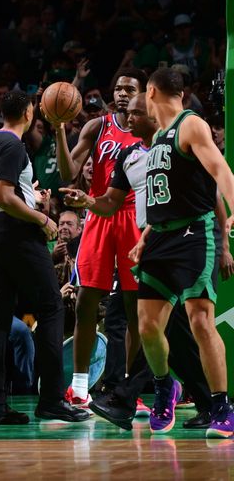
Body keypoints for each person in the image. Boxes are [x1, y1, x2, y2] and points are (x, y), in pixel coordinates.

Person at [62, 91, 219, 431]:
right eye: (127, 114)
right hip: (151, 244)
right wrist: (88, 201)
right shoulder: (130, 156)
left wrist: (224, 243)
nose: (128, 119)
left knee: (173, 330)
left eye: (135, 113)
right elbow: (114, 203)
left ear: (152, 114)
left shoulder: (180, 143)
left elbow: (213, 191)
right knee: (154, 329)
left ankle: (147, 395)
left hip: (187, 241)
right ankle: (166, 395)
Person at [126, 68, 234, 437]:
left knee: (201, 321)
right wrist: (145, 236)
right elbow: (171, 195)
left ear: (151, 91)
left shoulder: (191, 126)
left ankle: (221, 405)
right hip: (160, 237)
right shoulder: (157, 136)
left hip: (193, 234)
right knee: (147, 326)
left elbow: (221, 171)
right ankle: (164, 385)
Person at [0, 90, 89, 424]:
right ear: (28, 113)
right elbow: (3, 195)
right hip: (15, 234)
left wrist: (30, 195)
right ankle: (52, 400)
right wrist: (42, 217)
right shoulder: (13, 145)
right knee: (52, 308)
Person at [54, 68, 148, 408]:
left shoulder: (148, 130)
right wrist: (59, 129)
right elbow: (67, 172)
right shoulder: (98, 126)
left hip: (134, 218)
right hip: (97, 214)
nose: (122, 93)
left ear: (143, 93)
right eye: (118, 87)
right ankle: (79, 387)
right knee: (85, 302)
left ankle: (128, 392)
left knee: (136, 309)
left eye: (129, 88)